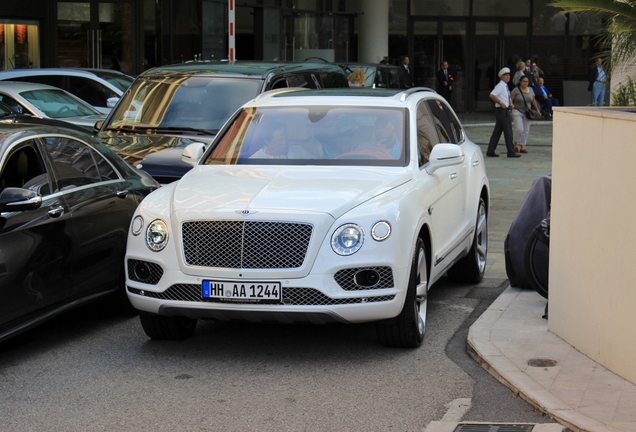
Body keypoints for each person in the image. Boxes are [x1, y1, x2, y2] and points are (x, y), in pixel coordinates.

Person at [487, 67, 520, 158]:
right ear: (502, 77)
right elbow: (492, 95)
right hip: (502, 111)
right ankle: (511, 151)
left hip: (504, 110)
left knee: (497, 132)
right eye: (506, 75)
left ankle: (490, 150)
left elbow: (507, 97)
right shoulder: (500, 86)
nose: (508, 77)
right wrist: (501, 103)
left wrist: (511, 103)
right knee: (508, 131)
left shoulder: (505, 86)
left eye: (509, 75)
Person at [511, 75, 541, 154]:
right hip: (517, 111)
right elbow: (511, 99)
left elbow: (533, 100)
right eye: (524, 81)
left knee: (526, 130)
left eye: (527, 81)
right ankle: (515, 144)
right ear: (520, 82)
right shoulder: (516, 90)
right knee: (519, 129)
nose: (525, 83)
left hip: (527, 112)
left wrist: (537, 110)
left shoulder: (530, 90)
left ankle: (523, 146)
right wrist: (511, 106)